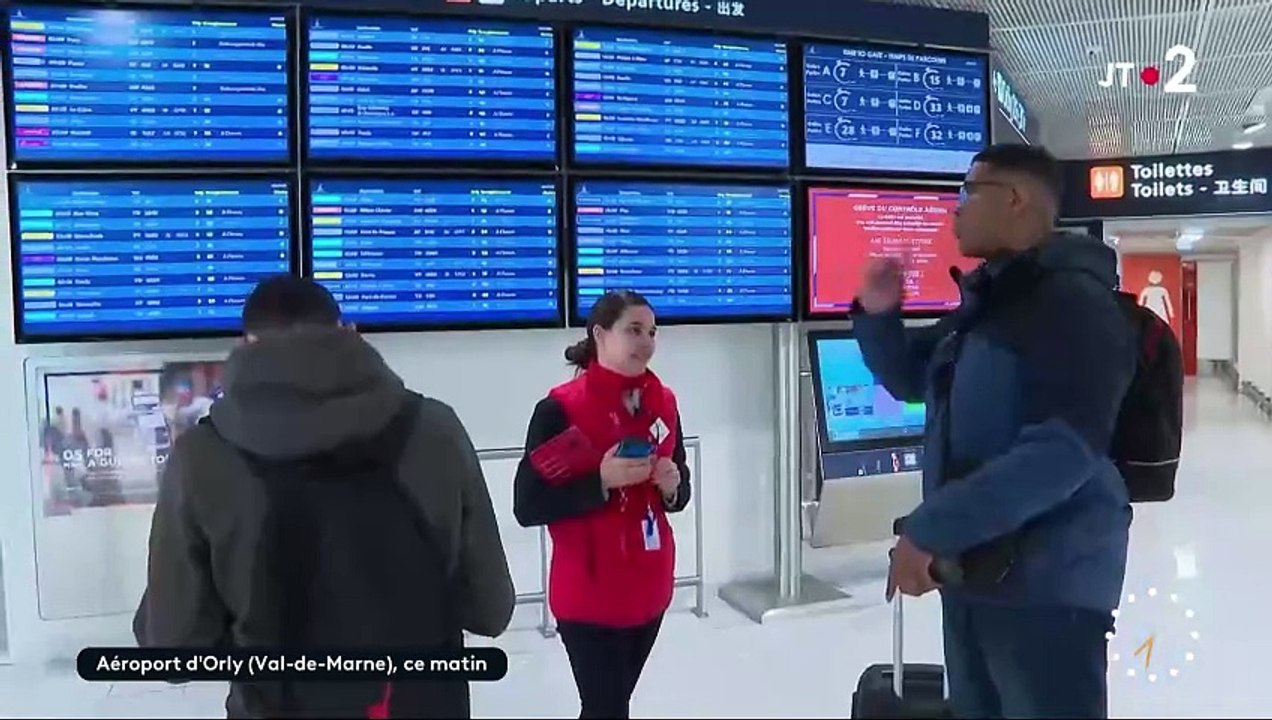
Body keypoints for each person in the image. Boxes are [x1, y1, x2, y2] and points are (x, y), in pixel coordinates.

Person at [134, 275, 515, 718]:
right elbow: (492, 608)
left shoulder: (201, 457)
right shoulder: (436, 431)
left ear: (245, 344)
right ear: (348, 332)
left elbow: (174, 646)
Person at [853, 144, 1137, 719]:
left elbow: (1062, 453)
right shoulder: (989, 302)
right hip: (976, 574)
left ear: (1015, 200)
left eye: (967, 192)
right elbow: (916, 377)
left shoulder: (1073, 305)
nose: (954, 210)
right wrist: (879, 316)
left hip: (1048, 592)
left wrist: (932, 528)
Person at [512, 290, 692, 720]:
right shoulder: (559, 409)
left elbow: (679, 494)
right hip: (588, 594)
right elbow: (528, 505)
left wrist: (672, 486)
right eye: (633, 330)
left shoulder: (663, 403)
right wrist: (600, 482)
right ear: (599, 334)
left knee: (611, 706)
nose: (645, 342)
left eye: (651, 332)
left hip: (650, 586)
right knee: (606, 706)